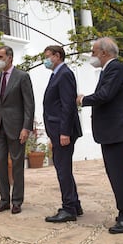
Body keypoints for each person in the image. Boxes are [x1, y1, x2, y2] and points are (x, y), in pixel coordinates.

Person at [76, 37, 123, 234]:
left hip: (118, 132)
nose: (91, 55)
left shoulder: (115, 68)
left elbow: (105, 95)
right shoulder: (109, 70)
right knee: (120, 175)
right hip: (113, 132)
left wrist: (83, 99)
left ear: (104, 53)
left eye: (93, 52)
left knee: (118, 177)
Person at [0, 45, 35, 214]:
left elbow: (29, 104)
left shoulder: (22, 77)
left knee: (16, 164)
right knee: (0, 163)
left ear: (10, 58)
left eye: (0, 57)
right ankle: (4, 200)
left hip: (16, 127)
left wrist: (26, 128)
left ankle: (17, 201)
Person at [42, 45, 83, 223]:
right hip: (57, 130)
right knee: (63, 168)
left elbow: (68, 105)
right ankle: (74, 205)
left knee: (63, 170)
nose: (46, 60)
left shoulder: (65, 74)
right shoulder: (57, 74)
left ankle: (68, 209)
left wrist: (65, 132)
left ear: (57, 56)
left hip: (62, 131)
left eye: (48, 56)